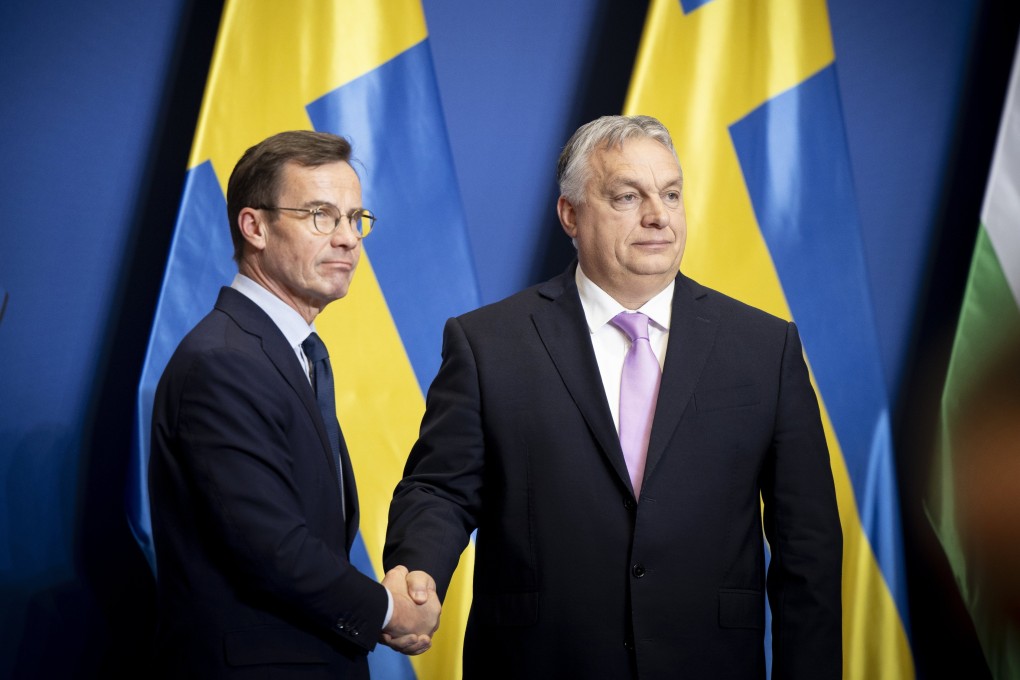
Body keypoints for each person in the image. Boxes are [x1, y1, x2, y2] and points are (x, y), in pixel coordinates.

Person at [384, 115, 842, 678]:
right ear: (570, 215)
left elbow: (808, 545)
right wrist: (418, 569)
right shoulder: (488, 343)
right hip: (540, 664)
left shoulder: (765, 347)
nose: (658, 216)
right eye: (628, 196)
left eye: (671, 194)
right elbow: (440, 488)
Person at [149, 130, 439, 678]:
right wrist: (386, 609)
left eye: (356, 218)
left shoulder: (290, 353)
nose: (349, 239)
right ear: (254, 226)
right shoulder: (225, 361)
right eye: (321, 215)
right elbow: (269, 546)